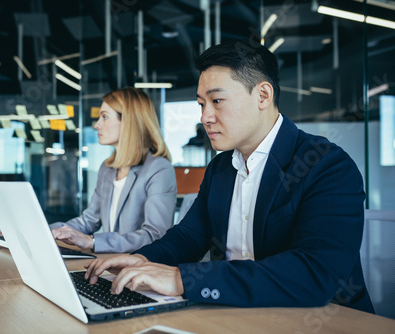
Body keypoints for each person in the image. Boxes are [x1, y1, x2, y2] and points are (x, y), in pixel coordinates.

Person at [84, 39, 374, 313]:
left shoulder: (327, 166)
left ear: (263, 95)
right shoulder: (221, 167)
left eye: (217, 101)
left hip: (326, 321)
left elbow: (314, 272)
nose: (205, 116)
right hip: (236, 316)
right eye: (201, 104)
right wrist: (144, 259)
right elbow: (188, 237)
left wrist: (184, 279)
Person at [50, 87, 177, 253]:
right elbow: (88, 221)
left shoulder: (158, 169)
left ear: (129, 122)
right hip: (110, 263)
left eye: (104, 117)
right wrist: (42, 230)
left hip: (140, 268)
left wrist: (92, 241)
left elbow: (155, 235)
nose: (97, 125)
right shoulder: (108, 168)